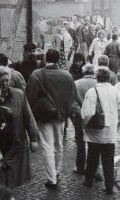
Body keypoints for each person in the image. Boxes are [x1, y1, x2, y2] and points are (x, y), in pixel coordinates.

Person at [26, 49, 77, 189]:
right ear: (58, 59)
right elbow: (72, 95)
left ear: (45, 58)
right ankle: (58, 171)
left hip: (44, 115)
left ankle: (51, 178)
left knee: (47, 145)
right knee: (59, 144)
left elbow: (30, 97)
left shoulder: (37, 74)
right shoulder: (67, 75)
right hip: (60, 116)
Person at [0, 67, 39, 188]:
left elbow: (29, 117)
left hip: (15, 143)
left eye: (7, 80)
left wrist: (34, 138)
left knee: (12, 175)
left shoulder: (18, 95)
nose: (4, 84)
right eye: (1, 81)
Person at [81, 67, 120, 195]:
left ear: (97, 77)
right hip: (109, 131)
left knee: (92, 158)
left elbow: (87, 113)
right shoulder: (115, 91)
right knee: (108, 160)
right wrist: (115, 122)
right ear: (109, 77)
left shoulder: (92, 91)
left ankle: (88, 181)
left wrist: (85, 125)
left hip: (95, 132)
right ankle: (109, 186)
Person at [72, 64, 97, 175]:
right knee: (95, 143)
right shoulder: (99, 84)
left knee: (80, 143)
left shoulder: (76, 83)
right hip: (95, 116)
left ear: (84, 72)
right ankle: (94, 169)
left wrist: (79, 112)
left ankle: (80, 167)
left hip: (79, 116)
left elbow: (72, 102)